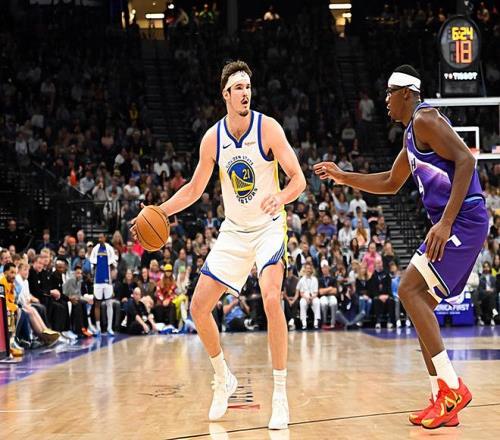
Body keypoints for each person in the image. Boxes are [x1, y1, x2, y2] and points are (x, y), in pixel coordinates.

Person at [131, 60, 305, 429]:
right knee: (198, 307)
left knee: (271, 298)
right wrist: (158, 212)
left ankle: (280, 394)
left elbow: (298, 179)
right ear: (225, 94)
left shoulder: (268, 128)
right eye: (238, 87)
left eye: (248, 87)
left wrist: (281, 198)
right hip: (235, 231)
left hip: (269, 227)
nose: (246, 93)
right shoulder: (213, 138)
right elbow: (194, 189)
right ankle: (223, 376)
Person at [314, 64, 489, 429]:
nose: (385, 100)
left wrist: (445, 222)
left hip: (464, 220)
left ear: (406, 93)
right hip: (455, 221)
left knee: (408, 289)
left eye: (389, 93)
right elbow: (391, 182)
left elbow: (466, 160)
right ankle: (441, 398)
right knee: (420, 305)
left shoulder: (425, 118)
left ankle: (453, 389)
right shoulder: (412, 134)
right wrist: (344, 177)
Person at [89, 233, 117, 336]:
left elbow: (113, 264)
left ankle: (109, 328)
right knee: (97, 304)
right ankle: (98, 328)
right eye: (98, 237)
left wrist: (112, 273)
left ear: (105, 238)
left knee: (109, 303)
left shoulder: (109, 249)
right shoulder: (95, 249)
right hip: (97, 281)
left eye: (101, 237)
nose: (99, 239)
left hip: (107, 281)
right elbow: (92, 264)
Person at [297, 262, 320, 330]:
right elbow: (301, 293)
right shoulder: (302, 280)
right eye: (307, 268)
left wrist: (312, 298)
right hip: (305, 296)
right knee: (302, 302)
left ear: (311, 270)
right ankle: (304, 324)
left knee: (317, 302)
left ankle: (316, 323)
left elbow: (316, 292)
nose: (308, 270)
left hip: (313, 296)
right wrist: (306, 298)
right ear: (305, 270)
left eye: (309, 268)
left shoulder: (315, 279)